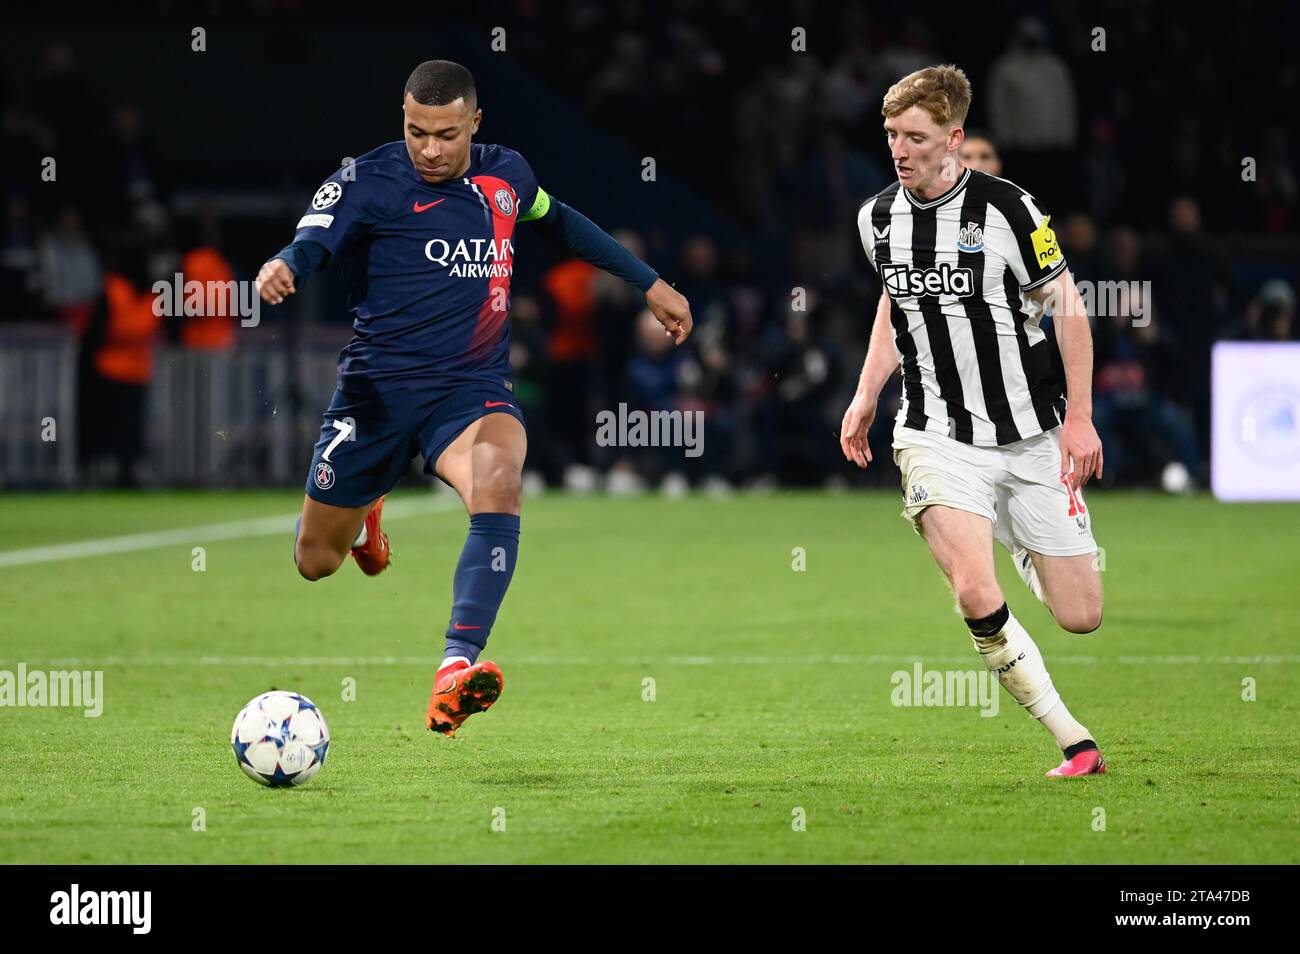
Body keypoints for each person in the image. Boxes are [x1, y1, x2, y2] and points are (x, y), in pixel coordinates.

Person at [255, 60, 692, 738]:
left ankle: (455, 668)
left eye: (446, 134)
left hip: (470, 391)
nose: (429, 149)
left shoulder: (507, 176)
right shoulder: (367, 180)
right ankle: (370, 500)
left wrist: (648, 282)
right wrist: (284, 263)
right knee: (315, 562)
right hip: (374, 397)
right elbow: (313, 237)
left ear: (475, 124)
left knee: (498, 481)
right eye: (416, 132)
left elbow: (564, 220)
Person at [840, 65, 1106, 778]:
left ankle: (1020, 536)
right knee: (972, 590)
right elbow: (897, 307)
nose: (900, 149)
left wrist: (1079, 418)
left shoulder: (1010, 211)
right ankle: (1073, 739)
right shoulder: (875, 219)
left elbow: (1068, 310)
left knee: (1081, 613)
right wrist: (868, 392)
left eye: (916, 137)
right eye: (892, 134)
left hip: (1030, 433)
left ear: (953, 139)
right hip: (933, 433)